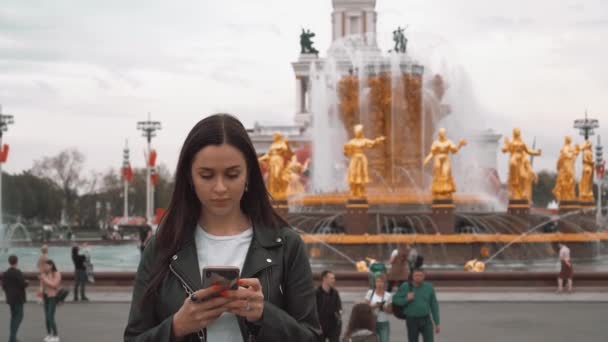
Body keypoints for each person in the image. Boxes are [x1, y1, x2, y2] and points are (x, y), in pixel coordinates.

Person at [124, 113, 321, 341]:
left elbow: (312, 337)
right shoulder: (161, 248)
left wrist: (265, 315)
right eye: (206, 175)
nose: (220, 187)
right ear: (190, 177)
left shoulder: (286, 246)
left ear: (249, 175)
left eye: (232, 174)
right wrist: (177, 326)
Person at [392, 269, 440, 342]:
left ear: (424, 277)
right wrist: (406, 299)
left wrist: (437, 322)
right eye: (416, 275)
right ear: (412, 276)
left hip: (426, 319)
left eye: (420, 275)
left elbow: (434, 305)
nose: (418, 277)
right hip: (412, 320)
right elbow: (395, 300)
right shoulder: (405, 286)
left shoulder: (429, 287)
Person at [2, 255, 28, 342]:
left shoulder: (5, 273)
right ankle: (12, 337)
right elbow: (22, 285)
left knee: (13, 317)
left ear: (9, 262)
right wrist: (27, 283)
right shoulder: (18, 272)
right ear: (17, 262)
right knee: (19, 316)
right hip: (18, 298)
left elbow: (4, 286)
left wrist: (8, 293)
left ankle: (12, 337)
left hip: (10, 298)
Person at [364, 274, 392, 342]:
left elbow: (391, 311)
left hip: (384, 322)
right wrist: (375, 306)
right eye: (378, 281)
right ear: (375, 283)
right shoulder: (370, 293)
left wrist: (384, 307)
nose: (379, 284)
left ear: (385, 284)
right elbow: (365, 308)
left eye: (382, 282)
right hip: (372, 322)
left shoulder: (388, 295)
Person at [316, 270, 343, 342]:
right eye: (331, 278)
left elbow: (339, 307)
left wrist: (339, 314)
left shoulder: (335, 293)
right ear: (324, 279)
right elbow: (313, 310)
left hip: (333, 325)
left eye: (334, 278)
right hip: (320, 325)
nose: (334, 280)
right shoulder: (316, 293)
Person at [40, 259, 62, 342]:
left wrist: (44, 278)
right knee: (46, 317)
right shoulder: (44, 274)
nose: (45, 267)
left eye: (47, 265)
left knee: (50, 316)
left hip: (53, 296)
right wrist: (40, 296)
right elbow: (42, 286)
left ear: (51, 265)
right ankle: (49, 334)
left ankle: (56, 335)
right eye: (44, 266)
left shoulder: (57, 273)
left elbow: (54, 285)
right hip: (45, 296)